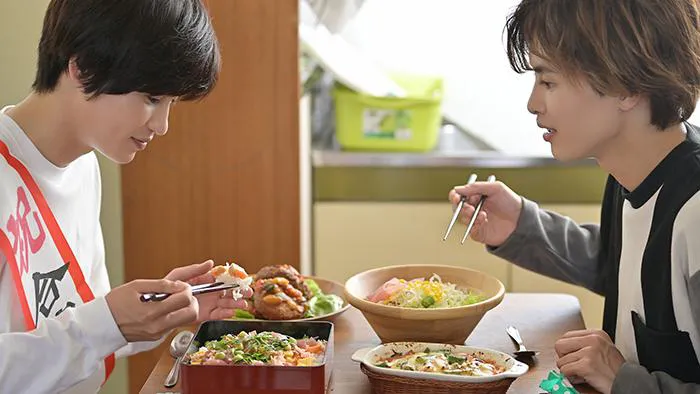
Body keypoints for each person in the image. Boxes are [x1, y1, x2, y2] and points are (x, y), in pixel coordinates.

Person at [449, 1, 700, 393]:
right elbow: (625, 266)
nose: (533, 104)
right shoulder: (631, 173)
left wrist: (624, 380)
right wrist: (520, 225)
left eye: (548, 81)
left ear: (626, 86)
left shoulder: (696, 209)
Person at [0, 1, 250, 393]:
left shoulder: (83, 167)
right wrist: (106, 323)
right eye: (152, 97)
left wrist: (160, 311)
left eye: (170, 103)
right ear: (82, 67)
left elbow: (82, 325)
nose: (162, 125)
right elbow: (88, 330)